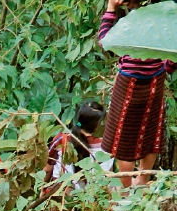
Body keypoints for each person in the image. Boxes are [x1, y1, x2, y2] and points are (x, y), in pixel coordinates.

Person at [99, 0, 177, 187]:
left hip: (129, 83)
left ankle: (126, 189)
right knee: (151, 128)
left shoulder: (132, 26)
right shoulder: (160, 21)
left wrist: (110, 9)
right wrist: (167, 67)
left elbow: (105, 42)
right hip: (155, 81)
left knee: (124, 137)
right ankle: (142, 181)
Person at [43, 102, 109, 190]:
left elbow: (47, 170)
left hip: (63, 195)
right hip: (93, 197)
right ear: (97, 125)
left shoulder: (61, 140)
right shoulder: (105, 146)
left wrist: (42, 190)